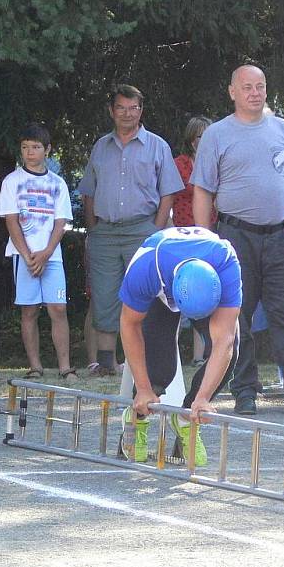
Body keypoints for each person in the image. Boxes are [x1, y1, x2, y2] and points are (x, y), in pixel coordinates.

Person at [191, 64, 284, 416]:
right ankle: (244, 393)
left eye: (260, 86)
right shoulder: (217, 135)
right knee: (236, 317)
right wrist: (203, 239)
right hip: (234, 236)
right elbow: (203, 191)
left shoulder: (283, 129)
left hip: (279, 236)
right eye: (247, 87)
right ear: (232, 92)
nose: (254, 93)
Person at [78, 84, 183, 376]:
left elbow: (169, 194)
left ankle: (145, 362)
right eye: (121, 108)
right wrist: (93, 230)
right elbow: (89, 192)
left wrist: (156, 230)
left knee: (145, 294)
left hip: (143, 229)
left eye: (133, 108)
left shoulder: (158, 146)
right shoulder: (100, 146)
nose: (127, 114)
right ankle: (107, 361)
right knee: (104, 295)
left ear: (141, 111)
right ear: (112, 111)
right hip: (105, 233)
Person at [118, 227, 241, 466]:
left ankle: (187, 419)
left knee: (232, 352)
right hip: (159, 283)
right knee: (160, 370)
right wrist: (143, 388)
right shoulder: (145, 267)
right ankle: (137, 417)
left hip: (205, 278)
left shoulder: (226, 263)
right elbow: (129, 325)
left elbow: (223, 342)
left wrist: (203, 398)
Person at [0, 123, 77, 380]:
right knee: (29, 310)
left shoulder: (58, 183)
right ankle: (35, 366)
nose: (30, 152)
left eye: (36, 147)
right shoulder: (12, 181)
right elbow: (11, 220)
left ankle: (65, 367)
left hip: (51, 256)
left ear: (47, 150)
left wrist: (46, 252)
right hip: (24, 257)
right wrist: (29, 254)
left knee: (58, 309)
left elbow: (60, 222)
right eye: (25, 147)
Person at [172, 116, 215, 366]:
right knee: (178, 292)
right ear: (191, 139)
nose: (205, 141)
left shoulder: (218, 162)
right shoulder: (178, 165)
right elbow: (167, 198)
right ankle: (172, 355)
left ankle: (201, 355)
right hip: (183, 234)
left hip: (212, 234)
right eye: (200, 136)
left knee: (204, 292)